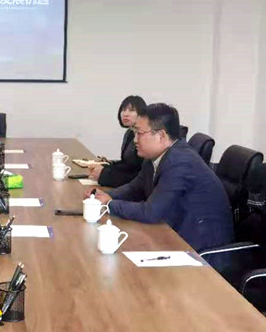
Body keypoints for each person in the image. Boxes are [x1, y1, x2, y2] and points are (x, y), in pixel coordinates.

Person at [88, 104, 233, 251]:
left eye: (139, 133)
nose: (135, 140)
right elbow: (135, 188)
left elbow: (151, 212)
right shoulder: (155, 156)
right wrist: (105, 195)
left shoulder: (179, 160)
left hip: (203, 249)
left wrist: (110, 204)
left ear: (161, 136)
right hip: (177, 232)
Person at [89, 95, 146, 188]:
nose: (125, 114)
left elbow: (138, 176)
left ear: (142, 114)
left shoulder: (145, 137)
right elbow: (126, 164)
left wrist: (104, 175)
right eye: (123, 110)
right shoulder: (129, 133)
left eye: (131, 110)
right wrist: (106, 166)